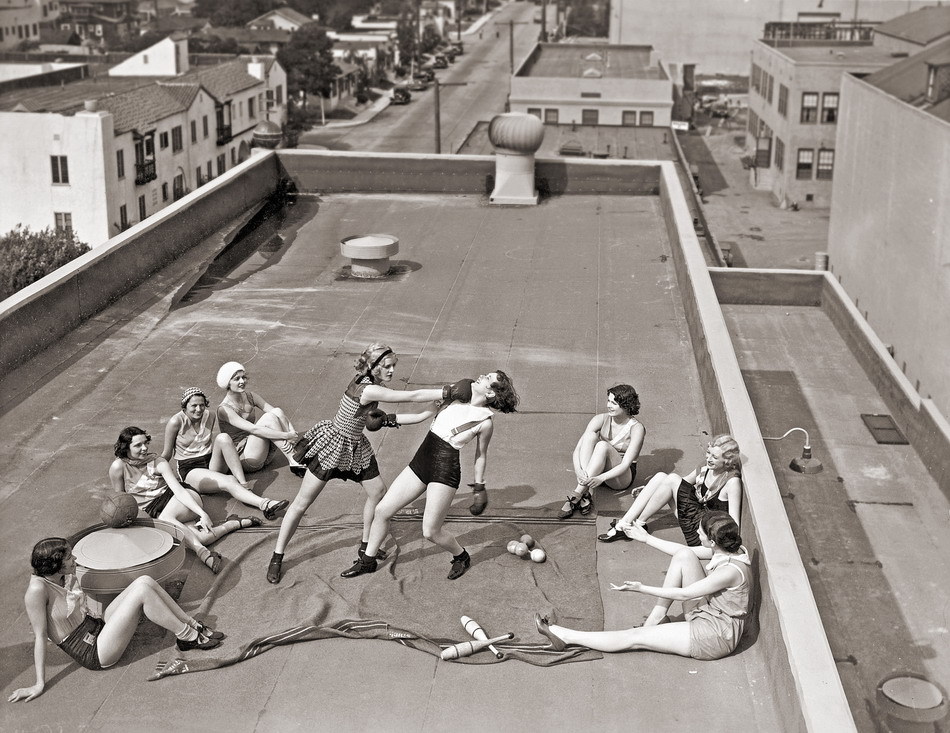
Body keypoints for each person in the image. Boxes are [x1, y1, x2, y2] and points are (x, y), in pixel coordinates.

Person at [266, 344, 466, 584]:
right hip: (334, 444)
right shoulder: (369, 390)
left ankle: (366, 545)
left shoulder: (368, 381)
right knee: (301, 503)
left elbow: (393, 415)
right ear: (373, 367)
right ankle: (277, 556)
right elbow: (409, 396)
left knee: (378, 491)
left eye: (394, 366)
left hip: (355, 445)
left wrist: (427, 412)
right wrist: (447, 391)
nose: (392, 371)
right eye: (387, 366)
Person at [342, 370, 519, 581]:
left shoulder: (485, 421)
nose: (482, 376)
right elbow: (421, 415)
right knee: (382, 511)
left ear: (491, 394)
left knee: (431, 532)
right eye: (486, 374)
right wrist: (388, 419)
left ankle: (461, 555)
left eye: (488, 379)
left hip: (445, 471)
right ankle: (367, 561)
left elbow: (480, 455)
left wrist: (479, 486)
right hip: (421, 461)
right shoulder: (454, 396)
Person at [8, 538, 223, 702]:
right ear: (54, 565)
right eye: (69, 559)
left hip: (98, 627)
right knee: (141, 595)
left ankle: (191, 624)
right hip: (94, 652)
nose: (75, 560)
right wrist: (38, 684)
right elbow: (39, 637)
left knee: (144, 581)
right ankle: (187, 636)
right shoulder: (36, 590)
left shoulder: (58, 576)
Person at [535, 511, 752, 661]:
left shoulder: (729, 571)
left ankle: (565, 636)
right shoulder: (730, 548)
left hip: (713, 636)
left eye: (701, 533)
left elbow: (684, 594)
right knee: (684, 555)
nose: (696, 534)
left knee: (635, 639)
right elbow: (681, 551)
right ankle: (654, 622)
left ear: (713, 542)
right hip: (710, 613)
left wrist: (641, 588)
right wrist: (645, 538)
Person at [109, 426, 251, 573]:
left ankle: (203, 554)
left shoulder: (158, 462)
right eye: (138, 445)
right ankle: (233, 524)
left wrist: (202, 513)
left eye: (145, 443)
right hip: (157, 510)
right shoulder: (118, 467)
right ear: (126, 448)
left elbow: (179, 491)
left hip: (182, 499)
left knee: (167, 518)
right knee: (202, 538)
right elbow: (121, 500)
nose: (144, 448)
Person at [161, 387, 288, 521]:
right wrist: (156, 475)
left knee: (224, 437)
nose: (198, 409)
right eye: (194, 406)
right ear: (184, 406)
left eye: (202, 405)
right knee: (229, 481)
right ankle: (265, 504)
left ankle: (244, 485)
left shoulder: (209, 416)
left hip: (210, 462)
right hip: (191, 470)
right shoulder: (176, 422)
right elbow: (167, 454)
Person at [598, 434, 742, 546]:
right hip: (694, 515)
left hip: (704, 534)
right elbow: (684, 482)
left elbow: (734, 525)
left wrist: (721, 550)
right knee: (662, 477)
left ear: (727, 461)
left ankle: (630, 525)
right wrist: (651, 489)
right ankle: (632, 524)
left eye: (714, 457)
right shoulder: (706, 466)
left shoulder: (732, 482)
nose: (708, 458)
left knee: (671, 478)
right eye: (708, 452)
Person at [559, 384, 645, 519]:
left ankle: (578, 493)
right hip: (595, 473)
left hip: (620, 477)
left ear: (626, 405)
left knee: (602, 446)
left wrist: (601, 478)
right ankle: (585, 493)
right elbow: (578, 449)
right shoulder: (600, 419)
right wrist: (578, 470)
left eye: (614, 403)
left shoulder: (637, 428)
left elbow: (625, 465)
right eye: (608, 401)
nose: (609, 405)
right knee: (590, 436)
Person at [215, 361, 305, 477]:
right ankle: (293, 458)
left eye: (243, 377)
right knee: (268, 418)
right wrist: (286, 436)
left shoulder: (250, 396)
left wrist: (292, 434)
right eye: (237, 379)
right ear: (228, 383)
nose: (242, 381)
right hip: (245, 458)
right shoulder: (224, 409)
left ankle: (293, 454)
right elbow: (254, 430)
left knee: (276, 411)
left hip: (261, 452)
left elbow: (278, 413)